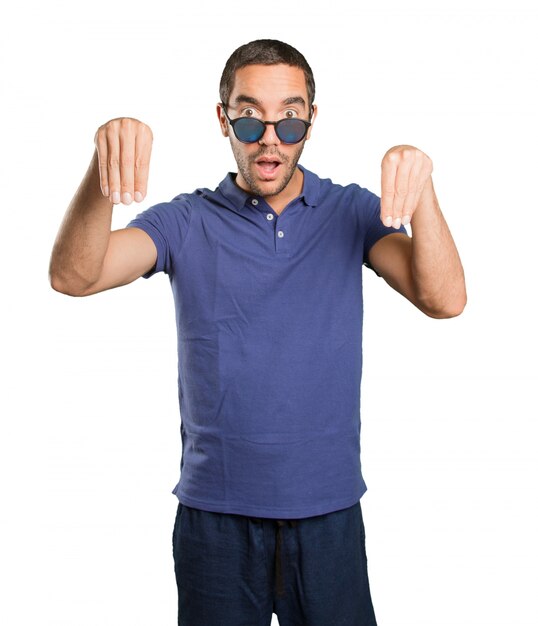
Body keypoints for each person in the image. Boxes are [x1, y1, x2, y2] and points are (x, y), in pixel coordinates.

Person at [49, 39, 466, 626]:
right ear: (223, 119)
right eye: (249, 118)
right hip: (215, 518)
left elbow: (446, 300)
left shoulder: (349, 212)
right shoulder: (185, 220)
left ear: (310, 121)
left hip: (328, 515)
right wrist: (102, 170)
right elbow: (74, 277)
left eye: (289, 118)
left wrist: (421, 192)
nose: (270, 137)